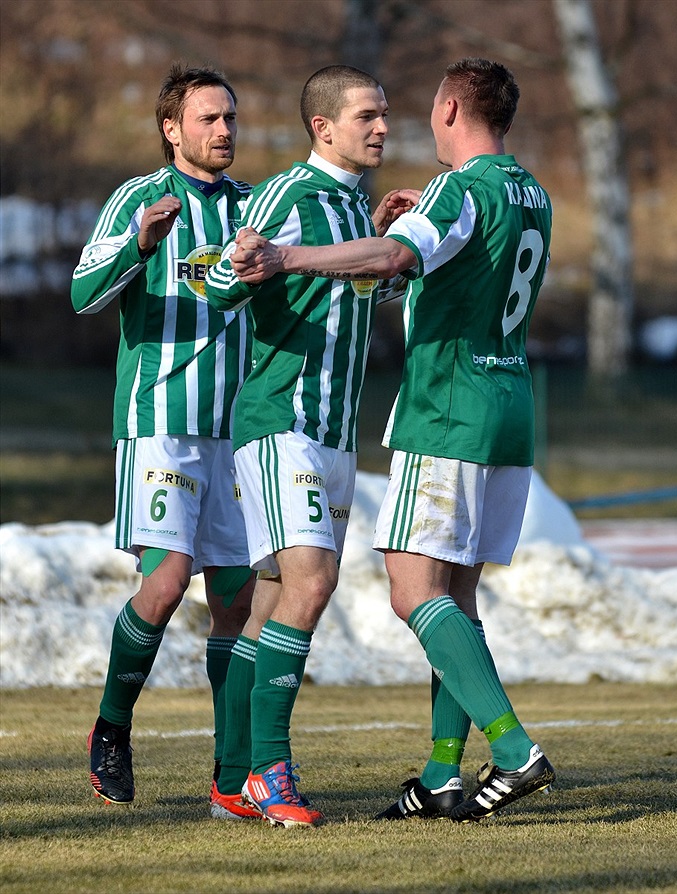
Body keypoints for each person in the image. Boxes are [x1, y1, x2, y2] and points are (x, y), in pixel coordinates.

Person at [231, 57, 556, 824]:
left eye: (402, 111)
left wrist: (288, 256)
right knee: (455, 595)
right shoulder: (533, 190)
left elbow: (396, 257)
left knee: (414, 592)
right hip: (510, 403)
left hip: (448, 408)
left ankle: (511, 748)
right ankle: (442, 773)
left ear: (448, 107)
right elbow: (449, 268)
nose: (389, 127)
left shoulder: (459, 188)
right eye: (369, 116)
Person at [204, 64, 417, 828]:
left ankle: (233, 779)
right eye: (368, 115)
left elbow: (345, 299)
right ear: (324, 128)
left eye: (384, 114)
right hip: (281, 422)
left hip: (333, 434)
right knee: (312, 583)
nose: (382, 127)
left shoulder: (349, 205)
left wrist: (382, 250)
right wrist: (236, 266)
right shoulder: (292, 194)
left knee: (267, 609)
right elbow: (222, 277)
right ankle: (270, 773)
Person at [71, 63, 256, 807]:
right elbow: (84, 295)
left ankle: (230, 773)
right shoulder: (138, 199)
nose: (224, 132)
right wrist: (140, 246)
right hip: (160, 424)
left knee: (238, 601)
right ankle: (110, 728)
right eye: (209, 119)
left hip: (240, 432)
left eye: (231, 119)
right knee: (169, 580)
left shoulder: (256, 207)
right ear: (171, 129)